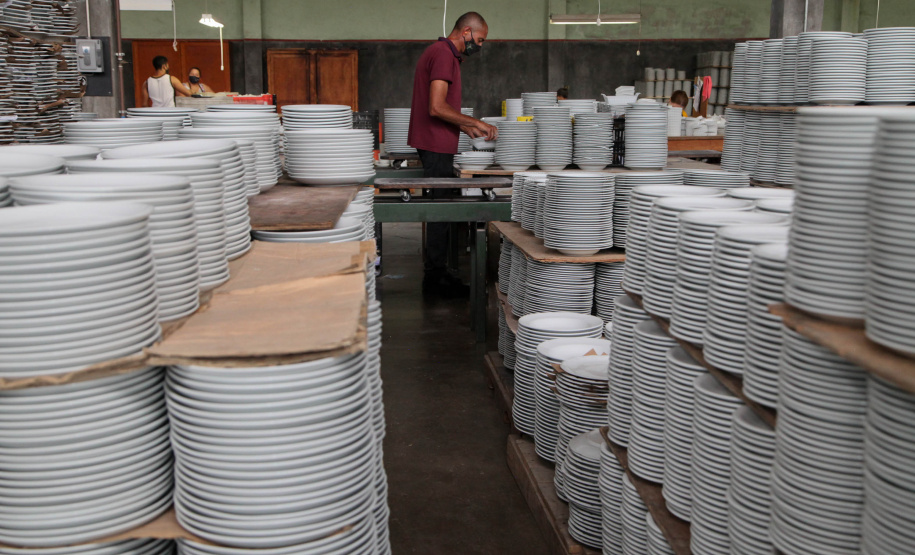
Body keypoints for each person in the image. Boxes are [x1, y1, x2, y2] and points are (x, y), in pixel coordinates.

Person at [408, 11, 497, 297]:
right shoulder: (444, 54)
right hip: (434, 144)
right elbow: (436, 107)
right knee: (440, 210)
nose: (480, 46)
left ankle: (437, 274)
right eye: (479, 40)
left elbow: (441, 110)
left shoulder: (443, 53)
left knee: (441, 208)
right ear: (466, 32)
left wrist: (464, 128)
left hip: (437, 141)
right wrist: (475, 122)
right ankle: (434, 280)